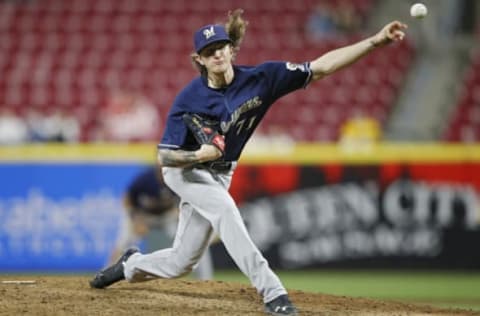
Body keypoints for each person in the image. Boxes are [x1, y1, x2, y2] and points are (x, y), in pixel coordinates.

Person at [90, 8, 407, 315]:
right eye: (209, 51)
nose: (217, 54)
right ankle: (273, 292)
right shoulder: (189, 98)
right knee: (226, 209)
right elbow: (165, 158)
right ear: (199, 59)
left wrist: (373, 42)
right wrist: (199, 155)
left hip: (220, 173)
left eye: (221, 47)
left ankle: (130, 264)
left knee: (181, 262)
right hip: (185, 171)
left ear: (232, 49)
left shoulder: (262, 78)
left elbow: (321, 67)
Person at [108, 166, 214, 280]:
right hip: (143, 216)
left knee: (193, 241)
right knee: (123, 242)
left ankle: (206, 279)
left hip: (166, 217)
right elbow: (127, 199)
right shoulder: (145, 179)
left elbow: (184, 203)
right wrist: (136, 220)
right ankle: (106, 273)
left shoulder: (177, 179)